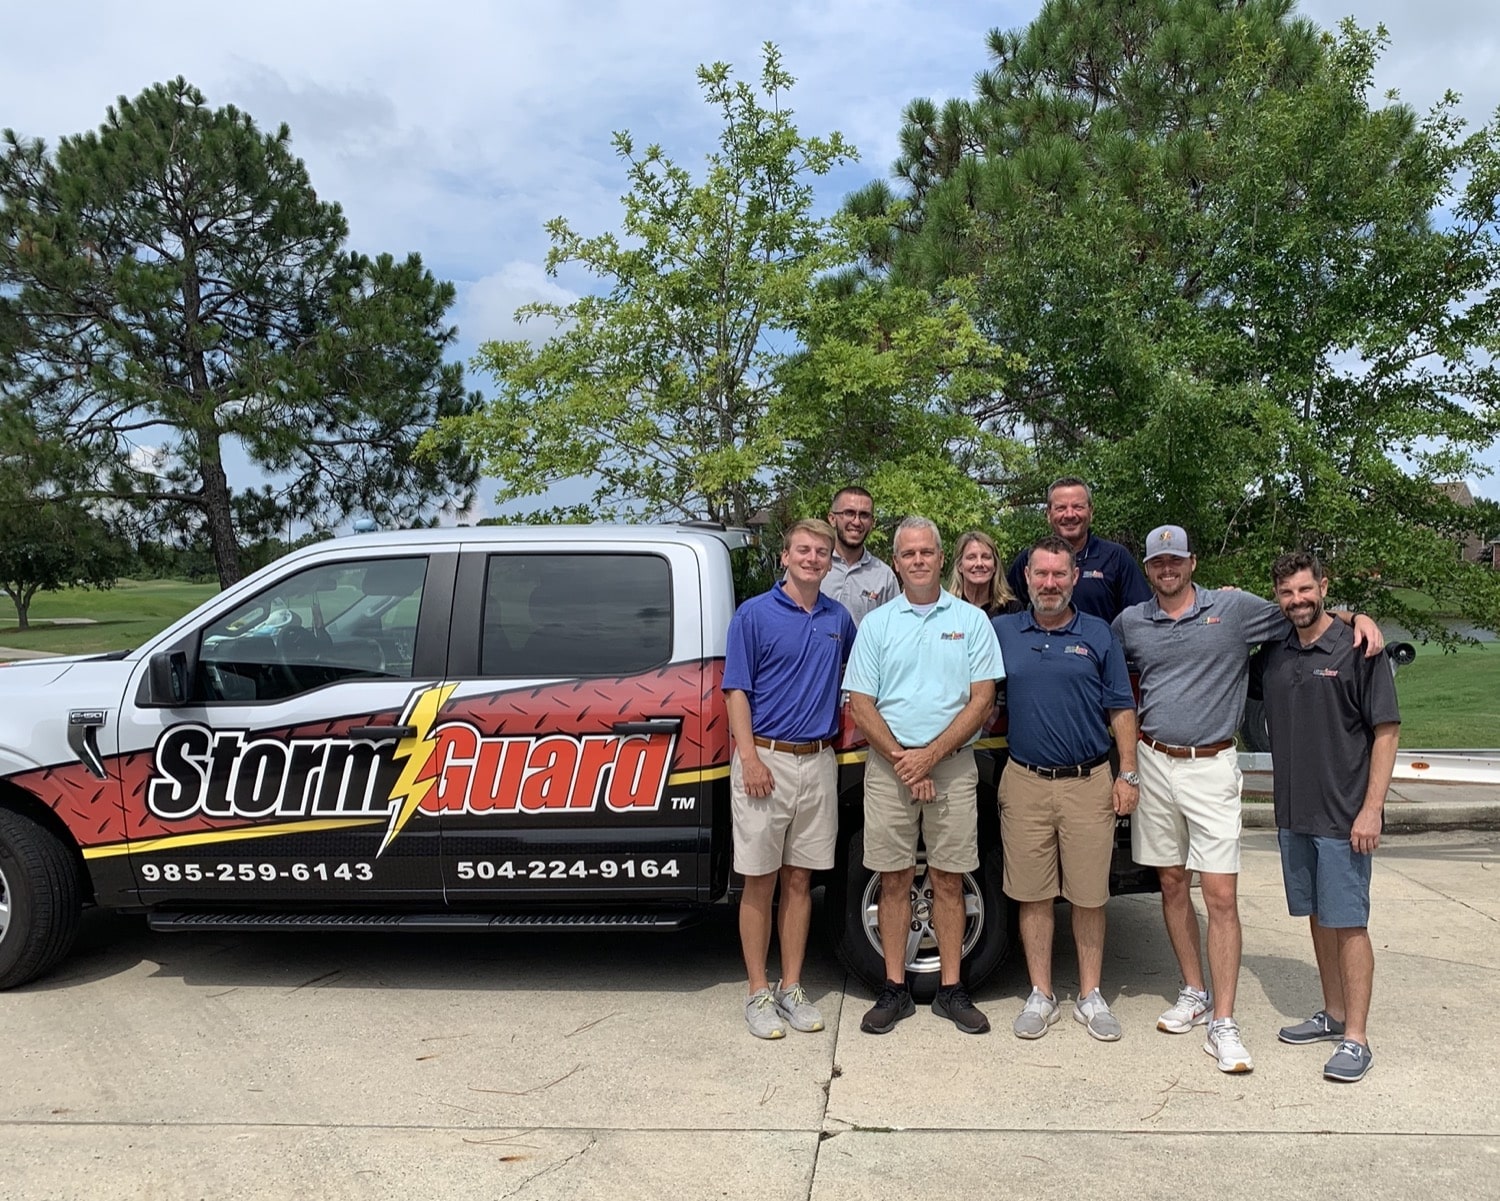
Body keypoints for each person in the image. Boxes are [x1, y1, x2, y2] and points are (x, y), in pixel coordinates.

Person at [1112, 526, 1385, 1074]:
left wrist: (1359, 617)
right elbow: (1104, 672)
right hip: (1154, 761)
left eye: (1176, 560)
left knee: (1218, 895)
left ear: (1192, 562)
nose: (1168, 569)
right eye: (1158, 562)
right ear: (1148, 569)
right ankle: (1195, 992)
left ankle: (1225, 1022)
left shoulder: (1234, 609)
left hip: (1212, 765)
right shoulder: (1130, 623)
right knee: (1170, 883)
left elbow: (1305, 611)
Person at [843, 516, 1004, 1036]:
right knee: (892, 879)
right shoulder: (876, 624)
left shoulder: (971, 622)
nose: (918, 560)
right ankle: (893, 989)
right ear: (896, 562)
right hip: (889, 768)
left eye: (927, 552)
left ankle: (953, 990)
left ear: (941, 559)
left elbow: (983, 701)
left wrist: (930, 755)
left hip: (953, 767)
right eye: (908, 553)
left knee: (949, 879)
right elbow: (860, 703)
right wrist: (904, 759)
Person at [1256, 551, 1400, 1084]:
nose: (1298, 600)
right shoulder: (1274, 654)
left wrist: (1371, 810)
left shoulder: (1360, 648)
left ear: (1323, 586)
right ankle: (1333, 1013)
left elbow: (1386, 731)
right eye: (1287, 593)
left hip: (1345, 817)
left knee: (1349, 923)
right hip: (1295, 812)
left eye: (1305, 589)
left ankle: (1356, 1038)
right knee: (1318, 916)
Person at [991, 535, 1139, 1042]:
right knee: (1032, 896)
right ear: (1026, 578)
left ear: (1074, 578)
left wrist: (1128, 773)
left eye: (1059, 574)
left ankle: (1091, 996)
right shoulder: (1002, 631)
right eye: (1041, 574)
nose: (1049, 583)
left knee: (1089, 895)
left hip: (1089, 782)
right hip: (1025, 780)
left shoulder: (1097, 634)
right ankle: (1041, 994)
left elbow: (1121, 708)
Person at [723, 518, 858, 1040]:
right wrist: (750, 758)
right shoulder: (753, 615)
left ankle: (791, 986)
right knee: (760, 880)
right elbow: (737, 691)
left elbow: (854, 683)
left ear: (830, 561)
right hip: (766, 761)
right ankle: (758, 990)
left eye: (822, 552)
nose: (813, 558)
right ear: (785, 557)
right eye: (804, 550)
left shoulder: (837, 618)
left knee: (801, 880)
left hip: (818, 762)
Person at [1006, 477, 1150, 622]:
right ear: (1048, 514)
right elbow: (1006, 613)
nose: (1069, 515)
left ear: (1091, 511)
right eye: (1061, 508)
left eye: (1078, 507)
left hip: (1102, 644)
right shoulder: (1030, 559)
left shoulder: (1116, 558)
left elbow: (1141, 618)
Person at [820, 486, 899, 625]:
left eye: (864, 515)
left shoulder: (884, 576)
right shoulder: (811, 565)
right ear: (832, 519)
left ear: (872, 523)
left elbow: (894, 630)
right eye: (849, 513)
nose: (856, 522)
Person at [946, 530, 1024, 617]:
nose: (979, 563)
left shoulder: (1012, 610)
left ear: (995, 565)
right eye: (971, 557)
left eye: (986, 557)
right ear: (959, 566)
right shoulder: (947, 608)